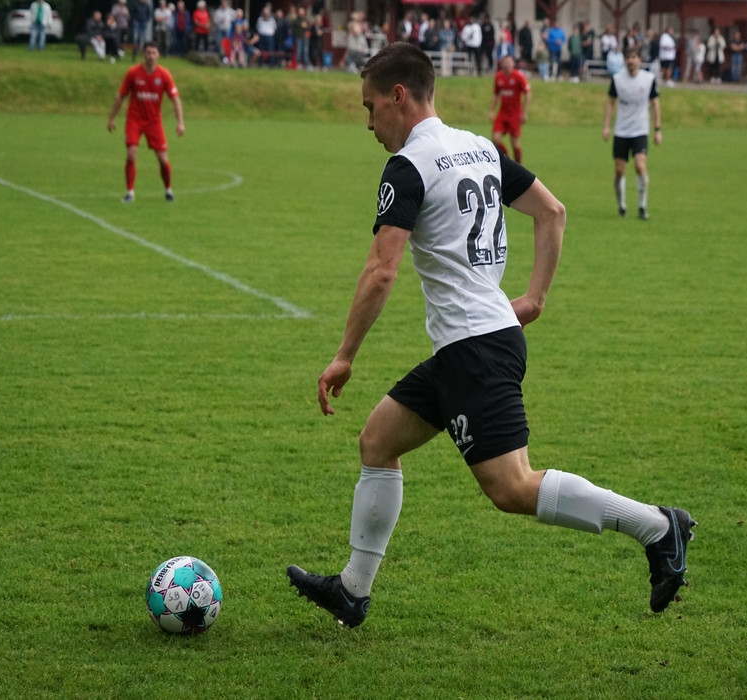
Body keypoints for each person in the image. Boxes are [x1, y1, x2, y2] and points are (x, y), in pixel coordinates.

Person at [285, 42, 696, 629]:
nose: (369, 123)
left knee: (512, 487)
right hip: (475, 341)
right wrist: (535, 297)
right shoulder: (479, 147)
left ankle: (658, 527)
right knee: (377, 441)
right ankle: (353, 590)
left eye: (370, 107)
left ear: (399, 96)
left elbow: (381, 270)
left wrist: (345, 355)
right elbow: (552, 212)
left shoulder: (409, 166)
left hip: (473, 348)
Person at [107, 42, 185, 203]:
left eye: (153, 53)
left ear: (158, 55)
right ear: (144, 54)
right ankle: (130, 193)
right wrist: (112, 118)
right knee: (131, 154)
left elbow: (175, 99)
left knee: (163, 159)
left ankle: (168, 190)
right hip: (134, 119)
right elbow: (121, 96)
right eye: (148, 53)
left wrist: (180, 122)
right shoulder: (133, 73)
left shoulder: (164, 75)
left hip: (154, 121)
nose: (150, 56)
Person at [603, 46, 661, 220]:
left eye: (634, 57)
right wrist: (606, 126)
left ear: (639, 60)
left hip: (640, 130)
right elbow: (610, 103)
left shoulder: (648, 79)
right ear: (624, 61)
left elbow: (655, 104)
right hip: (621, 130)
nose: (631, 60)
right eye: (628, 58)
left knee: (640, 166)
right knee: (619, 170)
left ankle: (642, 206)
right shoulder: (617, 79)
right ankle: (622, 206)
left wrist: (657, 129)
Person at [489, 54, 530, 163]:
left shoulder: (518, 76)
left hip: (515, 113)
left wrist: (524, 112)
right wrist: (491, 110)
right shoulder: (498, 77)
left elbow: (527, 93)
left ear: (513, 63)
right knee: (495, 138)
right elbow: (496, 94)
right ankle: (508, 161)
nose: (507, 64)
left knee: (514, 141)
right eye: (505, 62)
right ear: (502, 63)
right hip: (502, 112)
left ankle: (518, 166)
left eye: (509, 62)